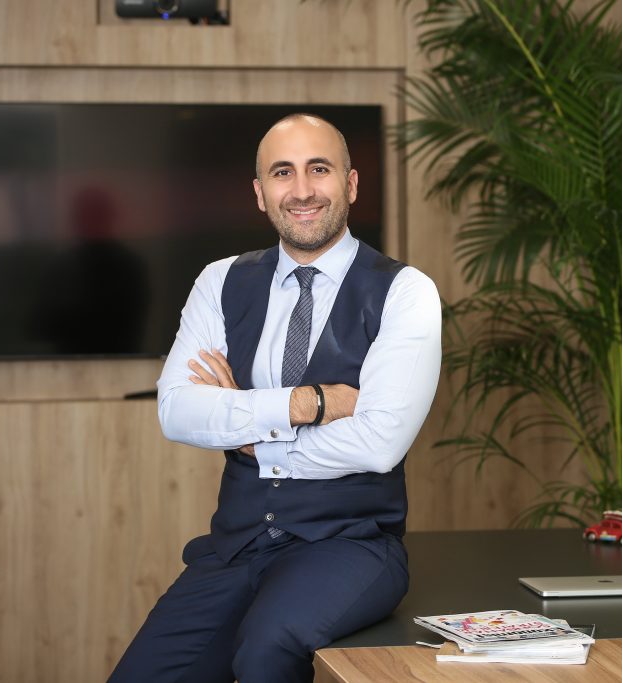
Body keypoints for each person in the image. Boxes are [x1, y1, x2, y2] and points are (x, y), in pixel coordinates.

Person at [108, 113, 442, 683]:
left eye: (320, 169)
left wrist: (246, 431)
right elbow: (177, 411)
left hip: (350, 547)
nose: (303, 189)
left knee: (267, 651)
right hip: (235, 546)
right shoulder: (220, 281)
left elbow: (379, 443)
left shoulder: (405, 292)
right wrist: (307, 405)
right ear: (260, 193)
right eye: (283, 172)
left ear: (351, 184)